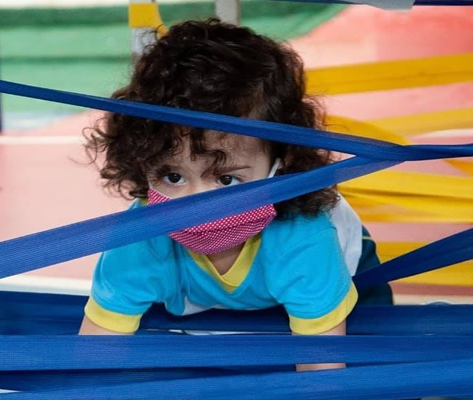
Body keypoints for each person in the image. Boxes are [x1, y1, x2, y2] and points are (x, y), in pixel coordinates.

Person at [79, 18, 391, 371]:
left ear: (282, 163)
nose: (196, 206)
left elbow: (323, 371)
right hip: (234, 293)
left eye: (226, 180)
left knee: (382, 370)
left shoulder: (305, 240)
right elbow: (96, 351)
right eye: (173, 176)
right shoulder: (140, 240)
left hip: (346, 274)